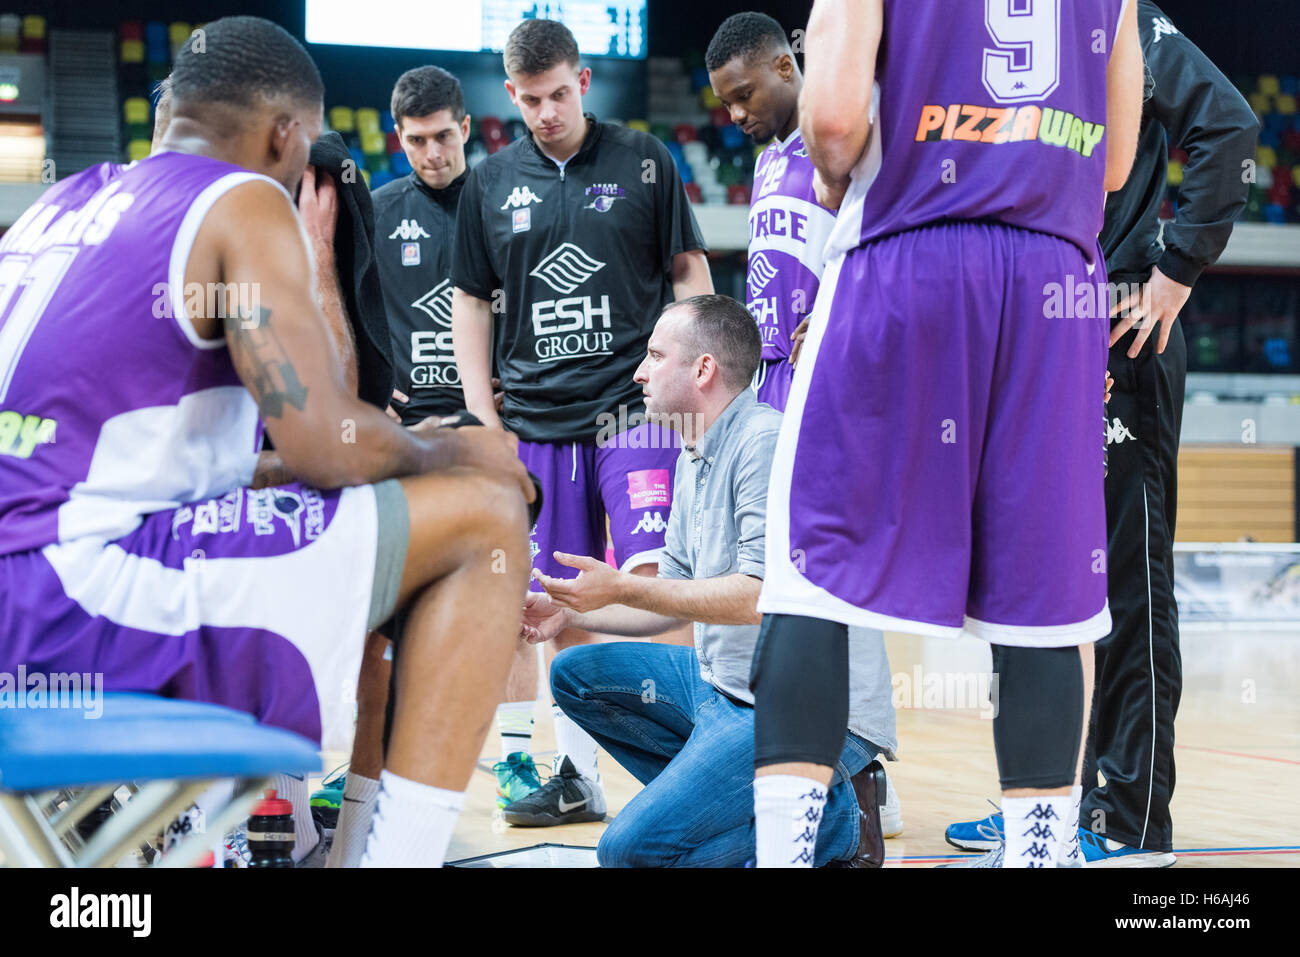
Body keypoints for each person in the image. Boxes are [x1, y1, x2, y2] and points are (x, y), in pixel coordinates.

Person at [0, 15, 535, 869]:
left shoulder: (62, 203)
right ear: (288, 134)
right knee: (483, 516)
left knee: (378, 527)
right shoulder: (238, 198)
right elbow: (326, 440)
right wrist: (458, 451)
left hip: (24, 606)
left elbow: (200, 464)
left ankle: (335, 836)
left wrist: (396, 447)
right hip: (79, 602)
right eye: (306, 150)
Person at [748, 0, 1142, 867]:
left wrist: (827, 167)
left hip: (912, 252)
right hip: (1055, 282)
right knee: (1045, 610)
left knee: (809, 576)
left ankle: (784, 856)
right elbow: (1115, 162)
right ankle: (1037, 855)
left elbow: (837, 118)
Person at [944, 0, 1259, 867]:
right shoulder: (985, 29)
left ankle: (1129, 817)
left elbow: (1229, 126)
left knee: (1128, 579)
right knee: (1038, 585)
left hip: (1122, 322)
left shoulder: (1126, 19)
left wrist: (1175, 271)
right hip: (1033, 321)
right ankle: (1041, 797)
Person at [521, 294, 897, 864]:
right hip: (725, 690)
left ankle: (837, 823)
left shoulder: (763, 443)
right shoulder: (693, 450)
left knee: (627, 853)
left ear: (702, 370)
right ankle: (798, 809)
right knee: (576, 674)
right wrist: (573, 614)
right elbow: (672, 595)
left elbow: (759, 597)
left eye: (654, 355)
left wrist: (621, 585)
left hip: (810, 714)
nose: (639, 372)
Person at [451, 17, 711, 825]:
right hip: (535, 423)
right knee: (552, 605)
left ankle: (692, 760)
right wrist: (480, 414)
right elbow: (468, 298)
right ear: (511, 94)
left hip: (634, 413)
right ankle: (574, 775)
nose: (544, 112)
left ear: (584, 83)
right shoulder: (489, 181)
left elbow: (688, 271)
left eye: (558, 94)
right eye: (528, 99)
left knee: (656, 588)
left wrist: (699, 388)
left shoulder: (643, 159)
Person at [705, 9, 904, 838]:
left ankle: (866, 772)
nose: (737, 113)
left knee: (837, 581)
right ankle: (801, 761)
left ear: (790, 65)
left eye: (746, 93)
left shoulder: (856, 134)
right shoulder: (765, 163)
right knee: (789, 583)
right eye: (725, 103)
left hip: (840, 382)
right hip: (774, 386)